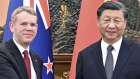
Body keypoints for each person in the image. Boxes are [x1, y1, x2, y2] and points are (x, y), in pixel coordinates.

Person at [76, 1, 140, 79]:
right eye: (106, 20)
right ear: (98, 21)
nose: (111, 25)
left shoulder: (137, 52)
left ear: (125, 23)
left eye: (117, 21)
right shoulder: (85, 56)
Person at [0, 6, 43, 79]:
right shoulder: (2, 53)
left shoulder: (37, 59)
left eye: (32, 25)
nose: (29, 28)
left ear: (36, 28)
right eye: (23, 24)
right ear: (12, 26)